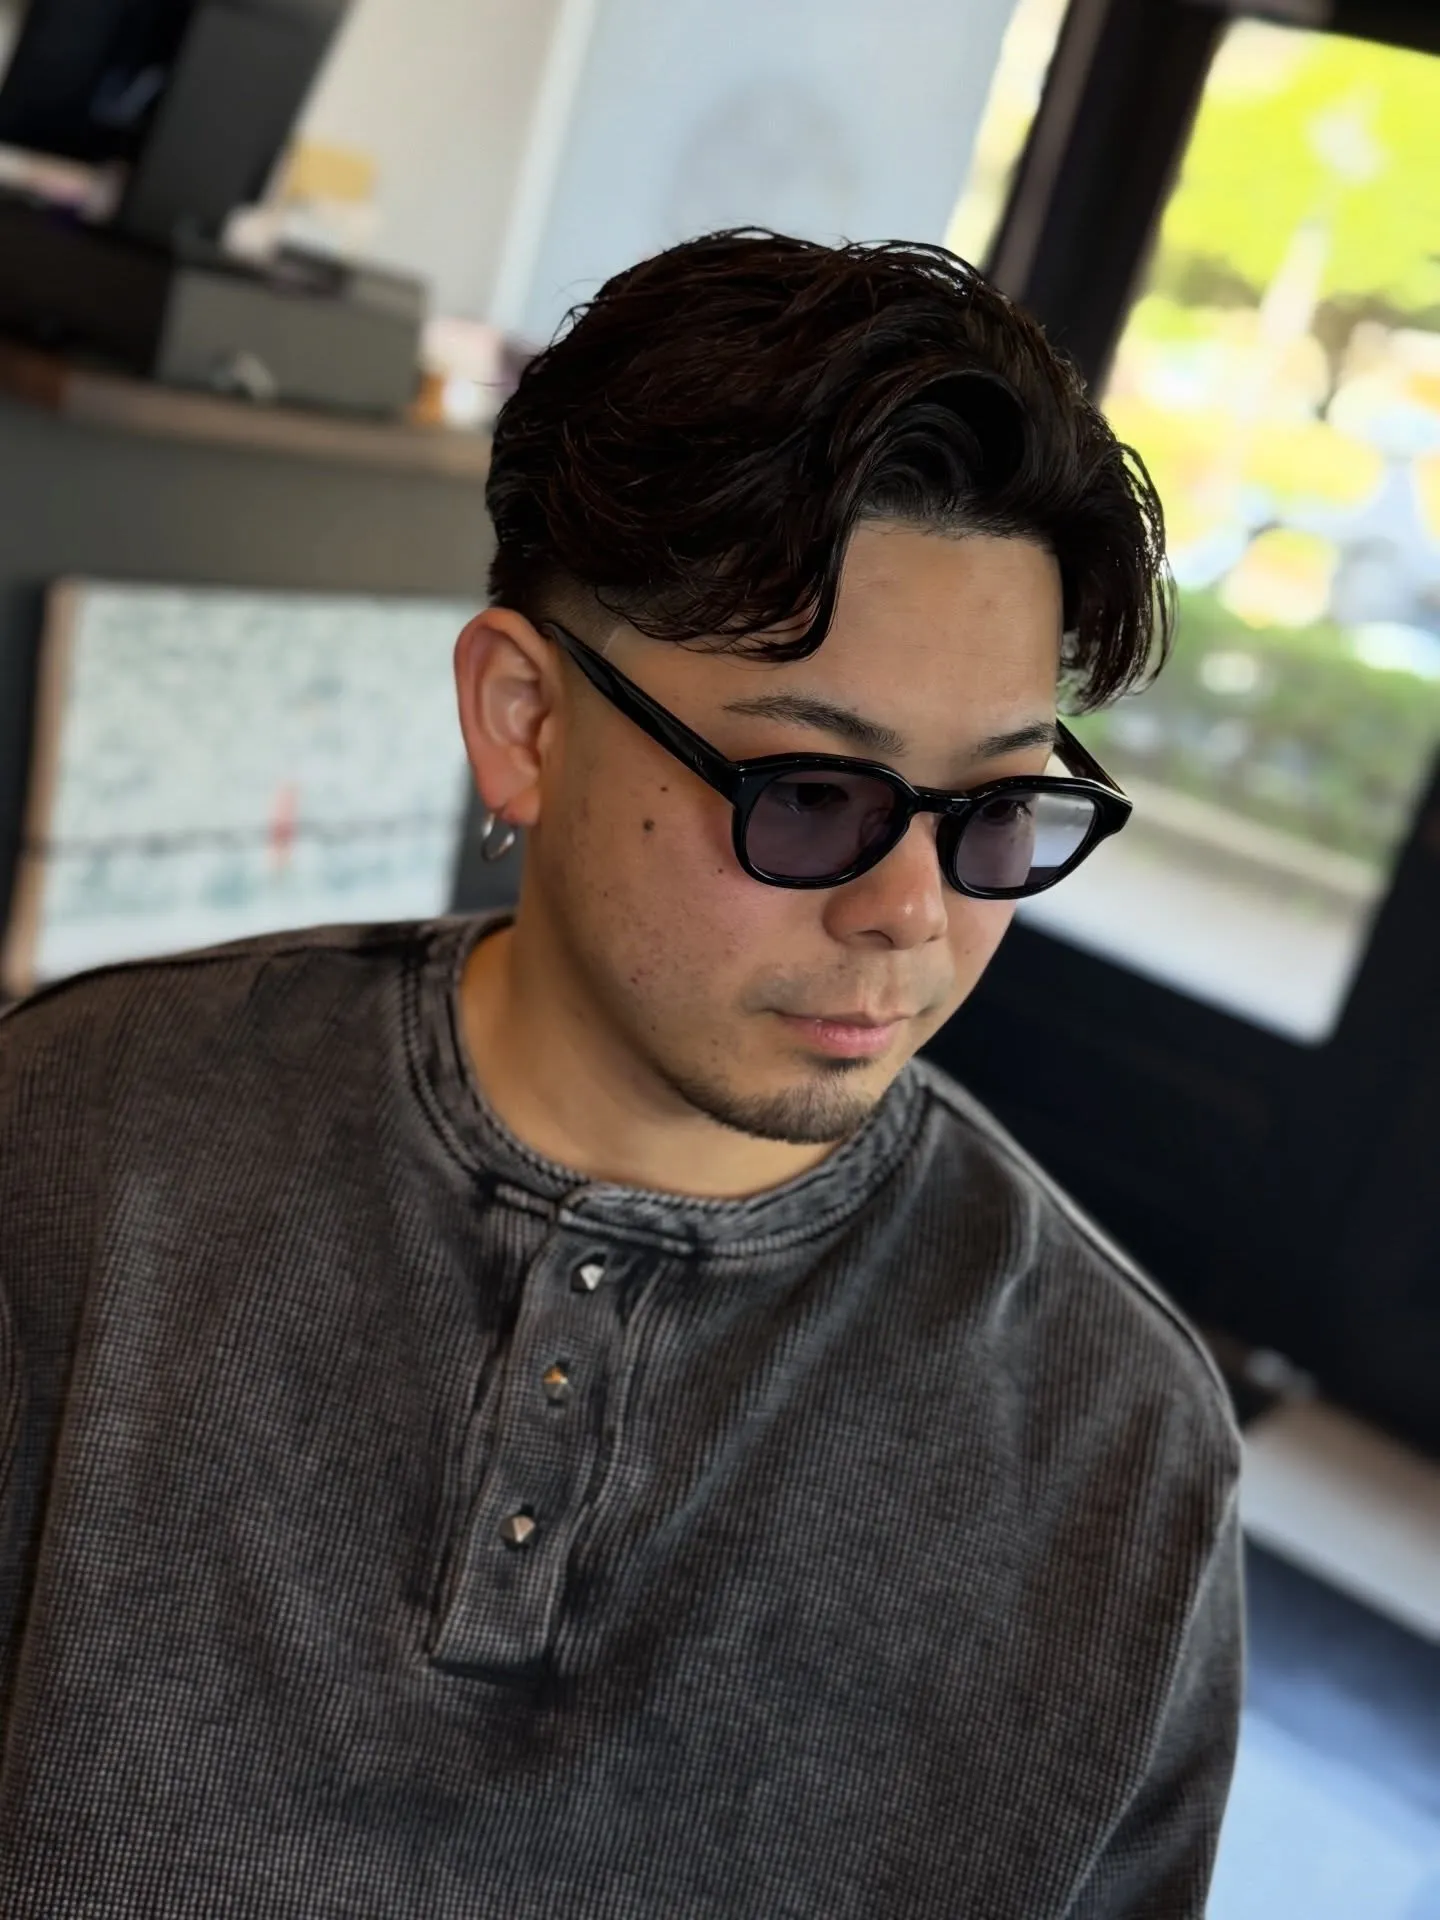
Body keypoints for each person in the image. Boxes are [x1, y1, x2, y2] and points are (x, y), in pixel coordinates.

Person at [0, 231, 1242, 1917]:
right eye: (812, 794)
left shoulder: (1120, 1453)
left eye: (1001, 811)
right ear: (524, 720)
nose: (910, 914)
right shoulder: (87, 1142)